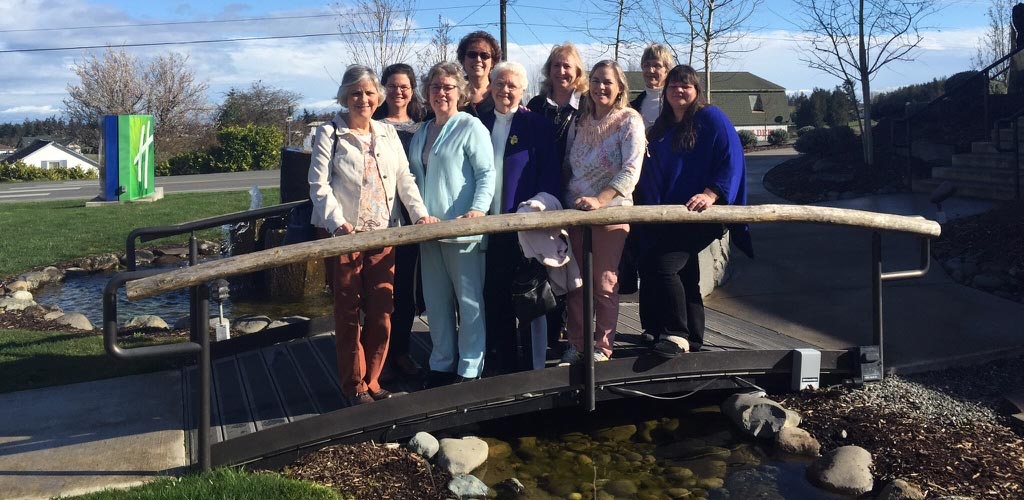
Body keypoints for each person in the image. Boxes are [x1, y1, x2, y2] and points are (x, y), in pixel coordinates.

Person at [308, 65, 439, 406]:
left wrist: (420, 213)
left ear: (376, 97)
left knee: (382, 310)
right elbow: (318, 186)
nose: (363, 99)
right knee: (348, 311)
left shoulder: (386, 133)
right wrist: (338, 223)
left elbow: (404, 178)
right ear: (345, 97)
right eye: (356, 93)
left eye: (368, 93)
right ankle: (354, 385)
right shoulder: (329, 133)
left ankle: (374, 378)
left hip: (384, 235)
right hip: (346, 237)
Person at [634, 64, 752, 356]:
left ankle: (676, 333)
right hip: (668, 217)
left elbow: (731, 156)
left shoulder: (710, 117)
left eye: (685, 85)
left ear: (696, 89)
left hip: (700, 215)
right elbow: (648, 169)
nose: (679, 90)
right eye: (673, 85)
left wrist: (711, 193)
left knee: (665, 267)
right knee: (681, 273)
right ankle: (691, 336)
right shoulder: (661, 128)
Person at [407, 62, 496, 387]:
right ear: (427, 92)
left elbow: (487, 174)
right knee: (436, 301)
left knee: (469, 302)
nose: (441, 93)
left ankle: (470, 367)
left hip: (462, 232)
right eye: (435, 87)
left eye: (448, 87)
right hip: (428, 232)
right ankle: (442, 362)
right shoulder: (422, 131)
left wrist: (477, 211)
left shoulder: (470, 126)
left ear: (460, 91)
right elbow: (412, 179)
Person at [560, 60, 645, 364]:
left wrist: (600, 199)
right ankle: (577, 343)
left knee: (604, 281)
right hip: (576, 213)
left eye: (607, 82)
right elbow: (568, 165)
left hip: (610, 213)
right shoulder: (579, 122)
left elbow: (631, 170)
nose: (600, 88)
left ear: (620, 86)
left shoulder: (629, 121)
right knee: (576, 282)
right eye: (595, 81)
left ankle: (603, 346)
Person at [478, 61, 561, 373]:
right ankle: (503, 364)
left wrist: (538, 207)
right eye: (499, 84)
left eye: (512, 85)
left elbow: (550, 175)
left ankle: (533, 367)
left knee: (529, 297)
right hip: (488, 226)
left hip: (524, 226)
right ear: (491, 87)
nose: (505, 90)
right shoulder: (479, 123)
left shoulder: (536, 125)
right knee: (495, 295)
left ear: (523, 90)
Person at [526, 42, 588, 356]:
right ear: (548, 71)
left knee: (573, 265)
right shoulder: (537, 105)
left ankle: (572, 335)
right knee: (544, 263)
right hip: (543, 193)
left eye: (567, 66)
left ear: (577, 71)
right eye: (556, 65)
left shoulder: (587, 105)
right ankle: (546, 337)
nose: (562, 71)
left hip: (576, 195)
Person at [373, 63, 428, 379]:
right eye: (392, 86)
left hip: (412, 218)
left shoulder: (422, 127)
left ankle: (401, 352)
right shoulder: (373, 125)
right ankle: (376, 354)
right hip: (380, 219)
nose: (398, 92)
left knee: (406, 291)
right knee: (380, 292)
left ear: (412, 89)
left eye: (404, 86)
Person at [456, 31, 502, 117]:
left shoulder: (503, 91)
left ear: (492, 62)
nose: (478, 59)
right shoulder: (452, 91)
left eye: (484, 55)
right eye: (472, 54)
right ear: (463, 60)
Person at [630, 43, 675, 129]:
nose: (651, 70)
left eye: (656, 65)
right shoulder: (633, 107)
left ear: (667, 70)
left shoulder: (676, 103)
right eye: (646, 65)